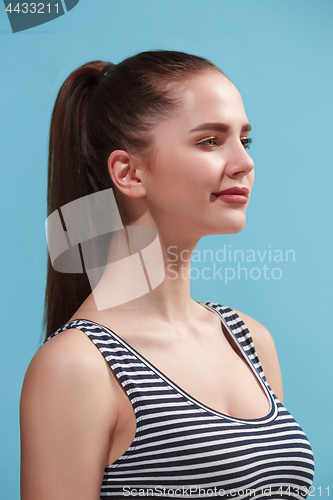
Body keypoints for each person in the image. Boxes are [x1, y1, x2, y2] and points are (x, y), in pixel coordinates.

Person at [20, 51, 314, 500]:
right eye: (210, 141)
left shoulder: (250, 341)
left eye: (244, 141)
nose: (243, 163)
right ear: (129, 172)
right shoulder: (78, 366)